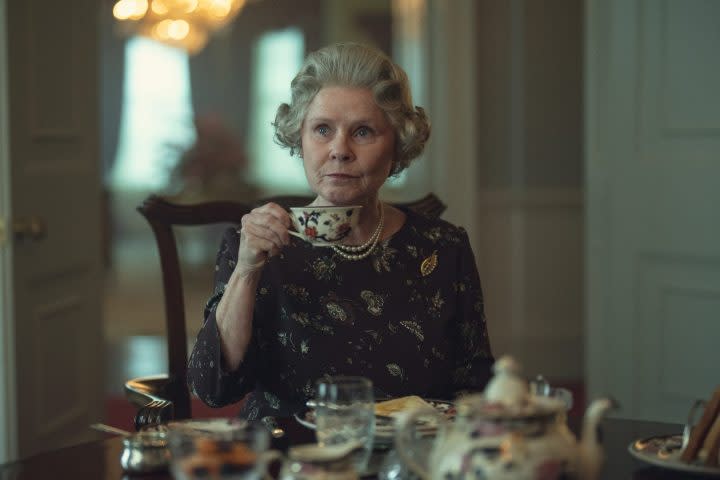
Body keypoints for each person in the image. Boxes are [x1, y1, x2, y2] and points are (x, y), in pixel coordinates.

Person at [187, 43, 493, 420]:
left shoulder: (444, 247)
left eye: (363, 132)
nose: (339, 150)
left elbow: (474, 386)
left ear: (398, 145)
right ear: (300, 139)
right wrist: (247, 270)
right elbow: (214, 390)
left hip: (409, 459)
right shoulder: (252, 245)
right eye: (322, 129)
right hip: (291, 460)